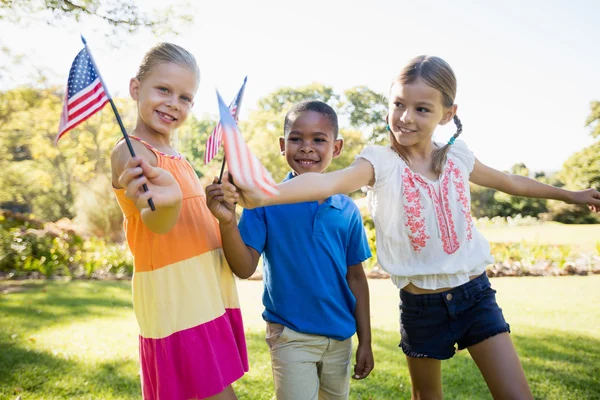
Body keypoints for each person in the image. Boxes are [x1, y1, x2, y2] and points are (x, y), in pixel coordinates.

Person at [221, 56, 600, 400]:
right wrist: (263, 194)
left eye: (422, 108)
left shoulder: (458, 156)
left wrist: (571, 195)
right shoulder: (379, 162)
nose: (406, 117)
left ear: (448, 113)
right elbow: (324, 182)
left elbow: (511, 182)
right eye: (399, 104)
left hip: (474, 296)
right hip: (420, 307)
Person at [206, 100, 373, 400]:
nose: (307, 147)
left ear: (336, 148)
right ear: (283, 145)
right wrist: (228, 223)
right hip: (291, 335)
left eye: (318, 139)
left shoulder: (346, 209)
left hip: (340, 337)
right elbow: (244, 268)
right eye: (297, 139)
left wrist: (366, 341)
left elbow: (357, 279)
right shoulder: (265, 203)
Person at [111, 42, 247, 400]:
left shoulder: (177, 156)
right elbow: (156, 219)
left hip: (204, 289)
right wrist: (165, 201)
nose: (174, 103)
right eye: (164, 90)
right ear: (135, 88)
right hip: (177, 296)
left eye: (185, 97)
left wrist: (218, 208)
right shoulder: (132, 151)